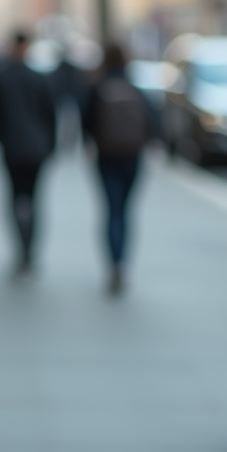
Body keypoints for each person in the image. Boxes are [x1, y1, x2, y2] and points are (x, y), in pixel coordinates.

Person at [0, 31, 58, 275]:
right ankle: (29, 251)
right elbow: (51, 118)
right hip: (37, 152)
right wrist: (48, 146)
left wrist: (5, 138)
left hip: (12, 151)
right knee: (34, 200)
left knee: (15, 199)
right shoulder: (40, 79)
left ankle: (21, 250)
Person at [81, 42, 154, 295]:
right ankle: (123, 264)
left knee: (111, 211)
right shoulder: (135, 86)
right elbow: (153, 121)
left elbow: (86, 121)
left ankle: (113, 265)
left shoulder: (97, 87)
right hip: (132, 157)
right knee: (125, 211)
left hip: (106, 156)